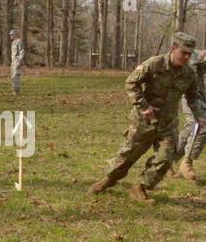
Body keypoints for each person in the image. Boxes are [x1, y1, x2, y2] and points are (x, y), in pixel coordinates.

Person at [88, 32, 205, 204]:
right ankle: (108, 179)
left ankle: (140, 187)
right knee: (127, 157)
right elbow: (131, 83)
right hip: (144, 121)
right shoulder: (154, 64)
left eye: (190, 54)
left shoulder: (189, 74)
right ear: (173, 48)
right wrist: (144, 106)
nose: (187, 57)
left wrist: (200, 115)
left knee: (166, 158)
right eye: (184, 52)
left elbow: (193, 96)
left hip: (168, 124)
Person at [168, 49, 206, 180]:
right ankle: (187, 162)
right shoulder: (192, 55)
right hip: (191, 96)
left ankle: (168, 161)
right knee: (202, 125)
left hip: (201, 97)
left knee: (191, 127)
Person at [9, 30, 25, 97]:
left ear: (15, 35)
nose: (10, 36)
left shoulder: (19, 41)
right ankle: (14, 90)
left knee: (16, 75)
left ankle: (16, 91)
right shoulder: (13, 43)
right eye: (10, 35)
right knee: (12, 76)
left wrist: (19, 61)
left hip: (17, 61)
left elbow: (22, 51)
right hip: (13, 61)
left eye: (12, 35)